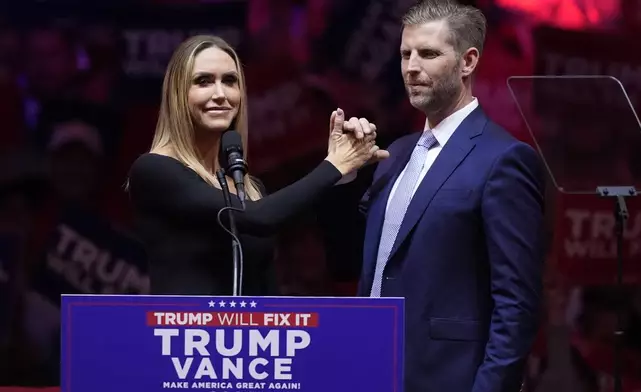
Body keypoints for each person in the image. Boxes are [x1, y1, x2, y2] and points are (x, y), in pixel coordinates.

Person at [342, 1, 546, 391]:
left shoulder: (504, 158)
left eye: (428, 54)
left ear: (468, 61)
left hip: (448, 379)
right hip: (371, 371)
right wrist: (342, 173)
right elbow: (375, 263)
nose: (411, 67)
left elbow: (517, 303)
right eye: (405, 54)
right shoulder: (394, 154)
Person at [126, 35, 386, 296]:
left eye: (229, 81)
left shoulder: (249, 187)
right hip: (182, 335)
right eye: (203, 81)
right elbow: (257, 217)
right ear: (177, 95)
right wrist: (333, 166)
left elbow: (268, 290)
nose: (220, 94)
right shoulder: (154, 170)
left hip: (251, 337)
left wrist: (346, 171)